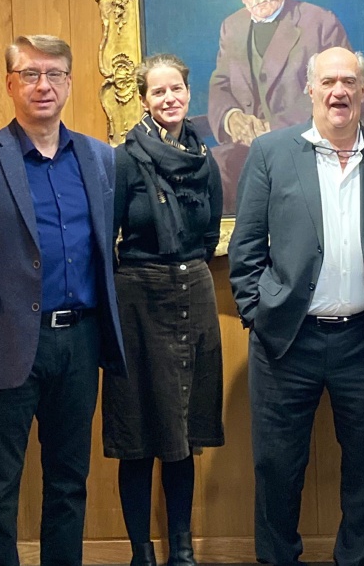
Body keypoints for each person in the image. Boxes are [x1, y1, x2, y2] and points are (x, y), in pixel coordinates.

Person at [0, 35, 126, 566]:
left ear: (69, 82)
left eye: (56, 74)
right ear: (10, 83)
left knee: (69, 482)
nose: (44, 85)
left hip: (80, 343)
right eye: (32, 74)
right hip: (5, 345)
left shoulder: (101, 158)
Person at [228, 47, 364, 566]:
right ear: (309, 89)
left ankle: (355, 560)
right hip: (287, 339)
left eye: (349, 81)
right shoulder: (271, 152)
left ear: (363, 90)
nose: (339, 91)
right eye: (328, 81)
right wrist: (258, 312)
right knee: (276, 466)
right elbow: (244, 251)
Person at [102, 53, 225, 566]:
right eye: (158, 92)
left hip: (193, 291)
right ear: (144, 99)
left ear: (187, 93)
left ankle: (182, 549)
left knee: (182, 430)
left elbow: (212, 228)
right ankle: (140, 553)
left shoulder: (204, 157)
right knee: (137, 431)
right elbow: (106, 234)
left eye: (176, 89)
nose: (169, 98)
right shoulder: (123, 159)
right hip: (137, 295)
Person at [208, 0, 351, 212]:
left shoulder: (321, 22)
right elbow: (221, 84)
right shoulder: (231, 26)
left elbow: (340, 91)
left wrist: (273, 128)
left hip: (305, 146)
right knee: (214, 166)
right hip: (245, 149)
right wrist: (231, 118)